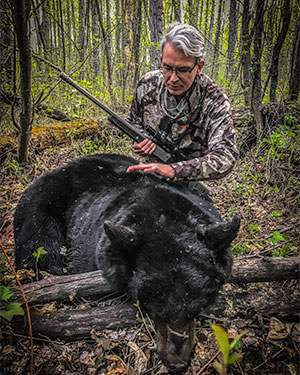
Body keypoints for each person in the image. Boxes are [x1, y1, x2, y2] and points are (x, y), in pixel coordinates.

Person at [126, 22, 238, 198]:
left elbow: (226, 155)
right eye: (167, 68)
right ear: (161, 61)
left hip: (186, 185)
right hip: (147, 176)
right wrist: (142, 141)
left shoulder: (214, 100)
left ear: (199, 67)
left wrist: (174, 169)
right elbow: (133, 122)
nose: (173, 78)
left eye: (183, 70)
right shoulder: (147, 84)